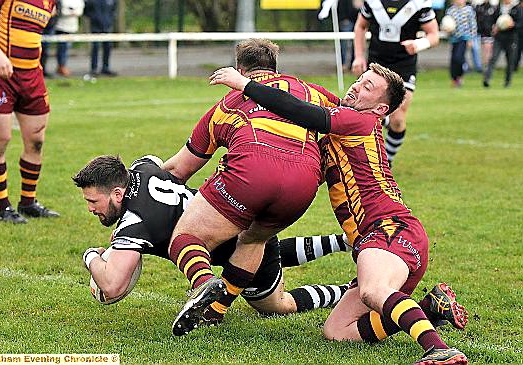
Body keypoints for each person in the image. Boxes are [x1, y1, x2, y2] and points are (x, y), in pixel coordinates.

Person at [209, 63, 468, 365]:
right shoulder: (343, 128)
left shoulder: (360, 121)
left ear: (381, 108)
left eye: (368, 87)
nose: (357, 86)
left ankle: (438, 349)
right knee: (337, 331)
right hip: (384, 239)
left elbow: (300, 109)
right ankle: (430, 307)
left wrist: (245, 84)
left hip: (389, 230)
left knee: (373, 291)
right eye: (359, 80)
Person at [161, 38, 340, 336]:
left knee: (186, 237)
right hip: (303, 183)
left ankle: (204, 283)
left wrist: (144, 177)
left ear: (240, 70)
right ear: (275, 67)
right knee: (254, 239)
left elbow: (180, 168)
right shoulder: (310, 91)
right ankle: (216, 311)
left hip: (251, 175)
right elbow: (348, 118)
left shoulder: (226, 104)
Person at [74, 155, 352, 318]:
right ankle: (343, 241)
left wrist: (91, 256)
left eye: (93, 201)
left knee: (275, 305)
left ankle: (345, 291)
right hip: (239, 222)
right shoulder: (142, 169)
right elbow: (158, 162)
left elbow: (111, 286)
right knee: (271, 249)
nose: (90, 208)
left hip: (244, 251)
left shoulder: (135, 223)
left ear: (118, 194)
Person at [0, 0, 60, 223]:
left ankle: (28, 202)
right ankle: (4, 208)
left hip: (32, 76)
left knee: (36, 141)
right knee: (0, 139)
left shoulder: (50, 3)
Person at [351, 0, 439, 166]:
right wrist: (359, 56)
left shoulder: (419, 4)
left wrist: (419, 43)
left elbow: (434, 35)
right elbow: (361, 26)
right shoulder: (373, 2)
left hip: (403, 66)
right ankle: (374, 161)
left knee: (397, 119)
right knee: (365, 109)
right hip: (377, 65)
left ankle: (386, 163)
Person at [483, 0, 520, 88]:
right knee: (493, 58)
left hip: (511, 38)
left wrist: (513, 24)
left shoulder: (517, 9)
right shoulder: (497, 8)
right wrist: (493, 27)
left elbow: (520, 23)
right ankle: (487, 79)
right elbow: (490, 20)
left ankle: (508, 81)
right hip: (499, 38)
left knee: (510, 61)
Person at [445, 0, 478, 87]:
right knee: (453, 60)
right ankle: (454, 79)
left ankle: (460, 76)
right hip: (454, 38)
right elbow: (446, 23)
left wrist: (471, 39)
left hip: (464, 38)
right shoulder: (450, 11)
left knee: (459, 58)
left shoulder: (469, 10)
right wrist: (447, 30)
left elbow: (473, 25)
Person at [84, 0, 117, 76]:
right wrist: (94, 17)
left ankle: (106, 68)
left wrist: (110, 19)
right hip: (96, 27)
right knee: (95, 47)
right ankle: (94, 69)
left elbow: (113, 10)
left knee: (108, 47)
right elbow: (86, 10)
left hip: (107, 27)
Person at [54, 0, 85, 77]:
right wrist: (70, 12)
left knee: (67, 48)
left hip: (72, 27)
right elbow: (61, 11)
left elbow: (80, 11)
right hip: (61, 27)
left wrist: (70, 11)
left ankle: (62, 66)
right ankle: (61, 66)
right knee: (62, 48)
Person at [475, 0, 498, 71]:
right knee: (483, 51)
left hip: (489, 33)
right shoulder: (479, 7)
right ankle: (485, 65)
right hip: (480, 33)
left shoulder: (493, 8)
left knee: (488, 50)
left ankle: (487, 66)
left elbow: (495, 19)